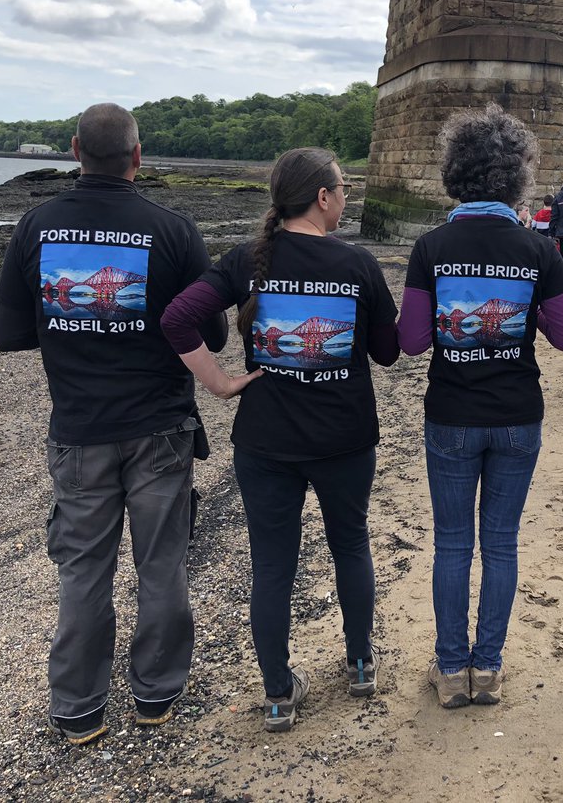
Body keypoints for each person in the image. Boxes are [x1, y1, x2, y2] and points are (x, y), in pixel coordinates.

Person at [0, 103, 228, 745]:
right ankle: (155, 694)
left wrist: (76, 326)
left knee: (84, 568)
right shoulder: (174, 230)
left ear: (74, 150)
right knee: (163, 564)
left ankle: (77, 705)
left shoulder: (36, 226)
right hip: (160, 427)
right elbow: (212, 331)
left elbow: (10, 335)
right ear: (138, 155)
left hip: (78, 427)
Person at [160, 148, 399, 731]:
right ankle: (361, 664)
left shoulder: (247, 259)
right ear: (323, 197)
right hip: (345, 438)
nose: (346, 197)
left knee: (272, 565)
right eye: (343, 187)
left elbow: (176, 319)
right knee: (350, 544)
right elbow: (389, 352)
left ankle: (277, 694)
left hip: (265, 440)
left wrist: (220, 385)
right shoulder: (357, 264)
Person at [398, 104, 563, 708]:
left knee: (453, 544)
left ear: (456, 172)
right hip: (516, 414)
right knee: (500, 543)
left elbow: (412, 341)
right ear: (517, 177)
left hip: (451, 412)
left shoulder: (432, 246)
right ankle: (489, 669)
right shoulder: (538, 249)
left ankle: (452, 671)